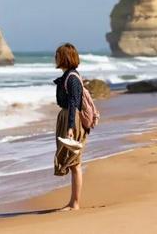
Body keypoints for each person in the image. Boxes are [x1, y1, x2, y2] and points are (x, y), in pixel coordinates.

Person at [53, 42, 88, 210]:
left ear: (65, 57)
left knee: (75, 162)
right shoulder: (68, 76)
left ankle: (75, 203)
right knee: (72, 162)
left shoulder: (72, 77)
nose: (55, 58)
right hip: (66, 117)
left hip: (71, 118)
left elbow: (74, 102)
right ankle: (73, 202)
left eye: (58, 55)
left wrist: (71, 127)